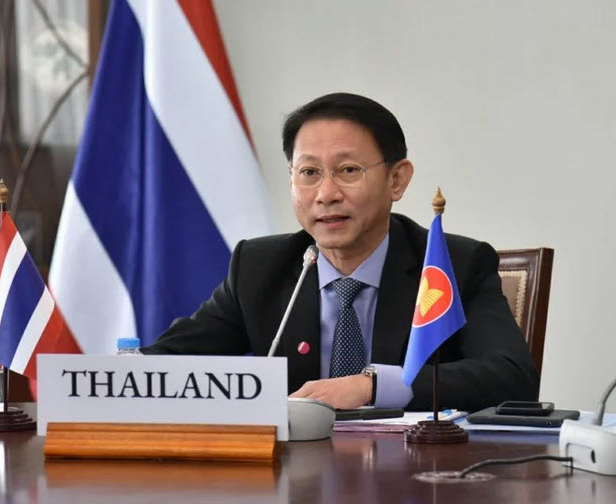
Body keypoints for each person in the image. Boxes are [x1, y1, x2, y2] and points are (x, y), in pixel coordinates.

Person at [142, 92, 539, 412]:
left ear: (397, 179)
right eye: (309, 173)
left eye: (348, 170)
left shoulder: (452, 265)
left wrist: (372, 387)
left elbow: (512, 377)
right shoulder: (259, 267)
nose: (326, 194)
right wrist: (120, 372)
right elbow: (168, 361)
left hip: (412, 472)